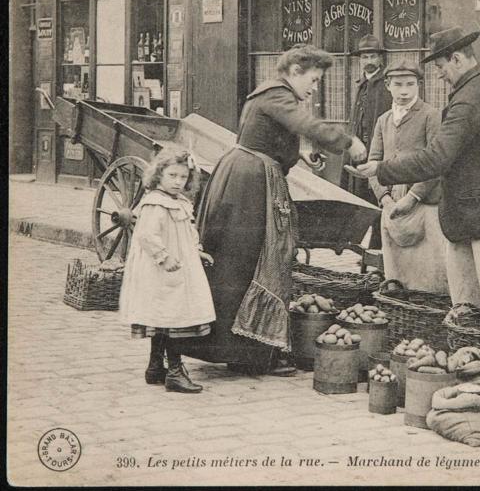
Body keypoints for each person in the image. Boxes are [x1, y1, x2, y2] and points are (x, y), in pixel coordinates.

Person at [180, 44, 368, 376]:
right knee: (254, 260)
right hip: (250, 185)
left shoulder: (272, 95)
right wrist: (347, 142)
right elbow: (306, 124)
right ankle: (248, 354)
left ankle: (246, 350)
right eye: (313, 79)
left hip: (247, 179)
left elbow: (275, 136)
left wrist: (300, 157)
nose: (313, 88)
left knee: (246, 260)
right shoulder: (277, 95)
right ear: (295, 71)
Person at [350, 27, 480, 320]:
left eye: (441, 67)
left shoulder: (466, 100)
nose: (440, 75)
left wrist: (380, 169)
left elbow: (436, 159)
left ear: (456, 59)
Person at [119, 149, 216, 394]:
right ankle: (174, 371)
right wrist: (163, 257)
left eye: (182, 177)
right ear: (159, 175)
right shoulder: (155, 203)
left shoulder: (180, 202)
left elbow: (188, 232)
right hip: (162, 268)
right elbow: (146, 236)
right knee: (173, 316)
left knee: (164, 316)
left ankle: (154, 367)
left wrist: (196, 250)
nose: (177, 182)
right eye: (172, 175)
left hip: (180, 265)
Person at [367, 58, 448, 294]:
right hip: (392, 203)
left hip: (424, 203)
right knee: (396, 271)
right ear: (387, 86)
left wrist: (413, 196)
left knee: (429, 271)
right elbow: (374, 163)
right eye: (398, 84)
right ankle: (400, 311)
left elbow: (436, 162)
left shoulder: (431, 116)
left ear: (419, 85)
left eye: (410, 84)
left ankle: (427, 313)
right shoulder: (383, 121)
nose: (404, 91)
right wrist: (385, 198)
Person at [341, 34, 393, 249]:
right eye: (364, 57)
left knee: (378, 197)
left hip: (376, 152)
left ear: (380, 59)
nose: (368, 61)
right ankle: (357, 247)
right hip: (358, 152)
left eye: (372, 56)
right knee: (359, 198)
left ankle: (376, 249)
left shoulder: (385, 85)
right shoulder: (362, 84)